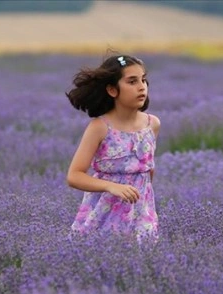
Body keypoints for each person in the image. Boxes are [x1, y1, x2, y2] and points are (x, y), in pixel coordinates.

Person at [65, 54, 160, 240]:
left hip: (141, 211)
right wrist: (111, 187)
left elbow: (148, 171)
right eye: (132, 81)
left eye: (143, 80)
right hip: (104, 213)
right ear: (112, 90)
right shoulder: (100, 128)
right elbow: (74, 176)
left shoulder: (152, 124)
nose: (142, 87)